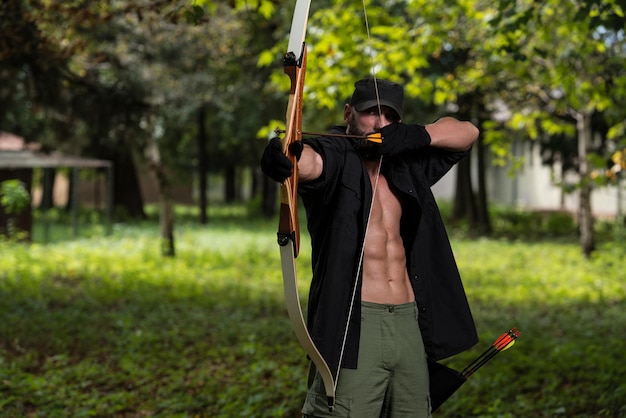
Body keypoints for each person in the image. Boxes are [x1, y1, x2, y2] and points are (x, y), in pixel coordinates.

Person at [261, 78, 480, 417]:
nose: (380, 124)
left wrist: (416, 135)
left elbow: (467, 133)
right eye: (370, 113)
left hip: (409, 322)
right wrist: (286, 156)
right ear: (349, 113)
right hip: (355, 325)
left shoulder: (407, 161)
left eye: (390, 117)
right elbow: (309, 164)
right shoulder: (335, 154)